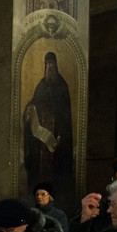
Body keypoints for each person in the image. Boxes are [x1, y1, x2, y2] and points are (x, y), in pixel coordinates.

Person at [23, 51, 74, 196]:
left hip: (57, 139)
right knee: (39, 172)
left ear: (56, 65)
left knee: (56, 173)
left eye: (51, 64)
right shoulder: (41, 86)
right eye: (46, 65)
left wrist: (61, 136)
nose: (49, 68)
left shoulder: (62, 86)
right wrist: (28, 111)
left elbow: (65, 116)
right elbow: (34, 104)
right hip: (40, 145)